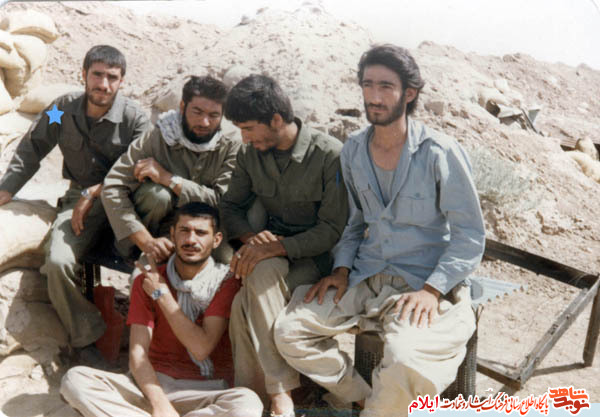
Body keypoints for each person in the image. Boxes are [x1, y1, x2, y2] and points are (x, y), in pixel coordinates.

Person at [274, 44, 486, 417]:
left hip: (420, 283)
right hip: (366, 277)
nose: (374, 96)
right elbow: (356, 222)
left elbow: (469, 235)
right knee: (290, 331)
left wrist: (433, 290)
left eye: (386, 86)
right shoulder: (353, 151)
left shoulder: (439, 152)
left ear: (409, 93)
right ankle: (364, 399)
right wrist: (341, 269)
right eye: (368, 84)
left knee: (406, 359)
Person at [0, 45, 149, 350]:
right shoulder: (62, 109)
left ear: (121, 81)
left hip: (127, 203)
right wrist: (7, 188)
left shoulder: (135, 119)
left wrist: (96, 191)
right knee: (57, 262)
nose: (103, 84)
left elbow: (141, 171)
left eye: (112, 77)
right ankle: (88, 334)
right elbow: (33, 147)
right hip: (78, 200)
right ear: (83, 75)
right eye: (97, 75)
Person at [219, 74, 348, 416]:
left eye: (248, 128)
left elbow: (332, 230)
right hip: (270, 252)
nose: (244, 138)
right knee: (249, 291)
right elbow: (230, 208)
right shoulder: (250, 154)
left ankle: (274, 396)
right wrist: (252, 239)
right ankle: (261, 399)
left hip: (316, 258)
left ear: (276, 120)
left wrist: (275, 248)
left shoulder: (329, 155)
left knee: (249, 295)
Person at [60, 202, 263, 417]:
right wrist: (160, 404)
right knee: (75, 380)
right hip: (153, 386)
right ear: (173, 235)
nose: (191, 240)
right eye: (184, 231)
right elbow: (138, 354)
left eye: (201, 233)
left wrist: (161, 294)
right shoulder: (147, 280)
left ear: (217, 240)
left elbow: (201, 348)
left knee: (247, 404)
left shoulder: (225, 281)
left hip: (205, 391)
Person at [102, 75, 239, 265]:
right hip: (154, 231)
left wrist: (170, 179)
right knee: (157, 196)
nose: (205, 122)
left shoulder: (232, 143)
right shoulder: (160, 135)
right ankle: (135, 256)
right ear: (182, 107)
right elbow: (113, 186)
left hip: (204, 230)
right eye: (197, 112)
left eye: (214, 115)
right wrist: (145, 241)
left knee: (227, 262)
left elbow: (224, 201)